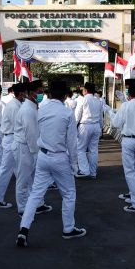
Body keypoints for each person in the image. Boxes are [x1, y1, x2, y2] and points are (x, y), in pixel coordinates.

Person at [16, 81, 86, 247]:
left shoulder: (41, 110)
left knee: (35, 194)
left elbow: (38, 133)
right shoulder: (67, 113)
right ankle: (68, 228)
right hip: (60, 157)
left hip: (43, 156)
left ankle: (23, 230)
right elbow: (71, 143)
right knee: (69, 193)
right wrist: (74, 163)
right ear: (64, 95)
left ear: (49, 94)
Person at [105, 81, 135, 214]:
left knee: (130, 171)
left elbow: (115, 123)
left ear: (128, 94)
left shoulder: (125, 106)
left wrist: (111, 112)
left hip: (128, 140)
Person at [13, 80, 52, 216]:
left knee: (35, 178)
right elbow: (31, 134)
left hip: (31, 146)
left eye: (42, 92)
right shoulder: (28, 109)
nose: (41, 95)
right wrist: (36, 153)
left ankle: (38, 204)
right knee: (23, 178)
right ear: (30, 93)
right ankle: (22, 208)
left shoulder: (34, 106)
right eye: (39, 92)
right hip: (25, 147)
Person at [0, 83, 26, 209]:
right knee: (6, 170)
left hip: (11, 138)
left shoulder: (15, 104)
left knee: (18, 170)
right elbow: (20, 126)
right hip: (12, 138)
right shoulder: (14, 106)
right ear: (21, 94)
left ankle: (33, 201)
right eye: (25, 92)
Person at [74, 82, 103, 178]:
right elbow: (100, 116)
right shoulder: (98, 100)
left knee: (80, 149)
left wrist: (73, 127)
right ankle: (93, 172)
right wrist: (101, 127)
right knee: (93, 150)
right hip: (96, 126)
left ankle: (84, 170)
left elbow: (77, 115)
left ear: (85, 90)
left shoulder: (82, 100)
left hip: (85, 126)